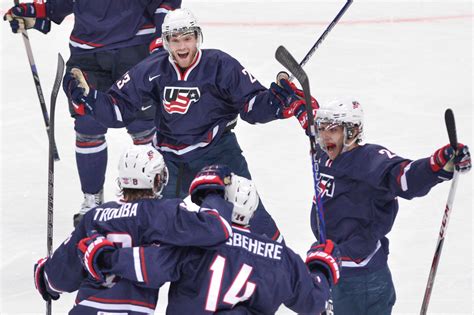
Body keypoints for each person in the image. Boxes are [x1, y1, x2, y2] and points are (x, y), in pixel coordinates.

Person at [61, 8, 318, 241]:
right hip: (171, 160)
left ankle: (287, 274)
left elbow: (251, 107)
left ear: (197, 38)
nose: (182, 46)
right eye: (175, 39)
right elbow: (118, 109)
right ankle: (121, 273)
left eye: (187, 38)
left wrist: (276, 102)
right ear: (165, 42)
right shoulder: (152, 68)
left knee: (251, 217)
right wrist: (89, 99)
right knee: (149, 226)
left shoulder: (220, 65)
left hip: (218, 152)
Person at [4, 0, 181, 226]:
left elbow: (165, 4)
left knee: (143, 128)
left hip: (135, 49)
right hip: (87, 54)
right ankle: (92, 199)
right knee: (88, 125)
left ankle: (152, 197)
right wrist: (38, 11)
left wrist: (162, 36)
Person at [298, 98, 471, 314]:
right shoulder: (325, 153)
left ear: (351, 132)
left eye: (332, 130)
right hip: (335, 267)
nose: (324, 136)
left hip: (362, 280)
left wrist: (439, 164)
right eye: (321, 129)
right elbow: (309, 122)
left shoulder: (369, 160)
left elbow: (404, 178)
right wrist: (294, 98)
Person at [78, 174, 342, 314]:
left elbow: (151, 266)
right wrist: (322, 268)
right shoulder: (281, 257)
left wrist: (105, 258)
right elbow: (313, 303)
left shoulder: (197, 243)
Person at [33, 145, 235, 314]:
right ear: (157, 180)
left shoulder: (95, 216)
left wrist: (45, 275)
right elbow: (217, 229)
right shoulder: (161, 212)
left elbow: (56, 278)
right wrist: (212, 194)